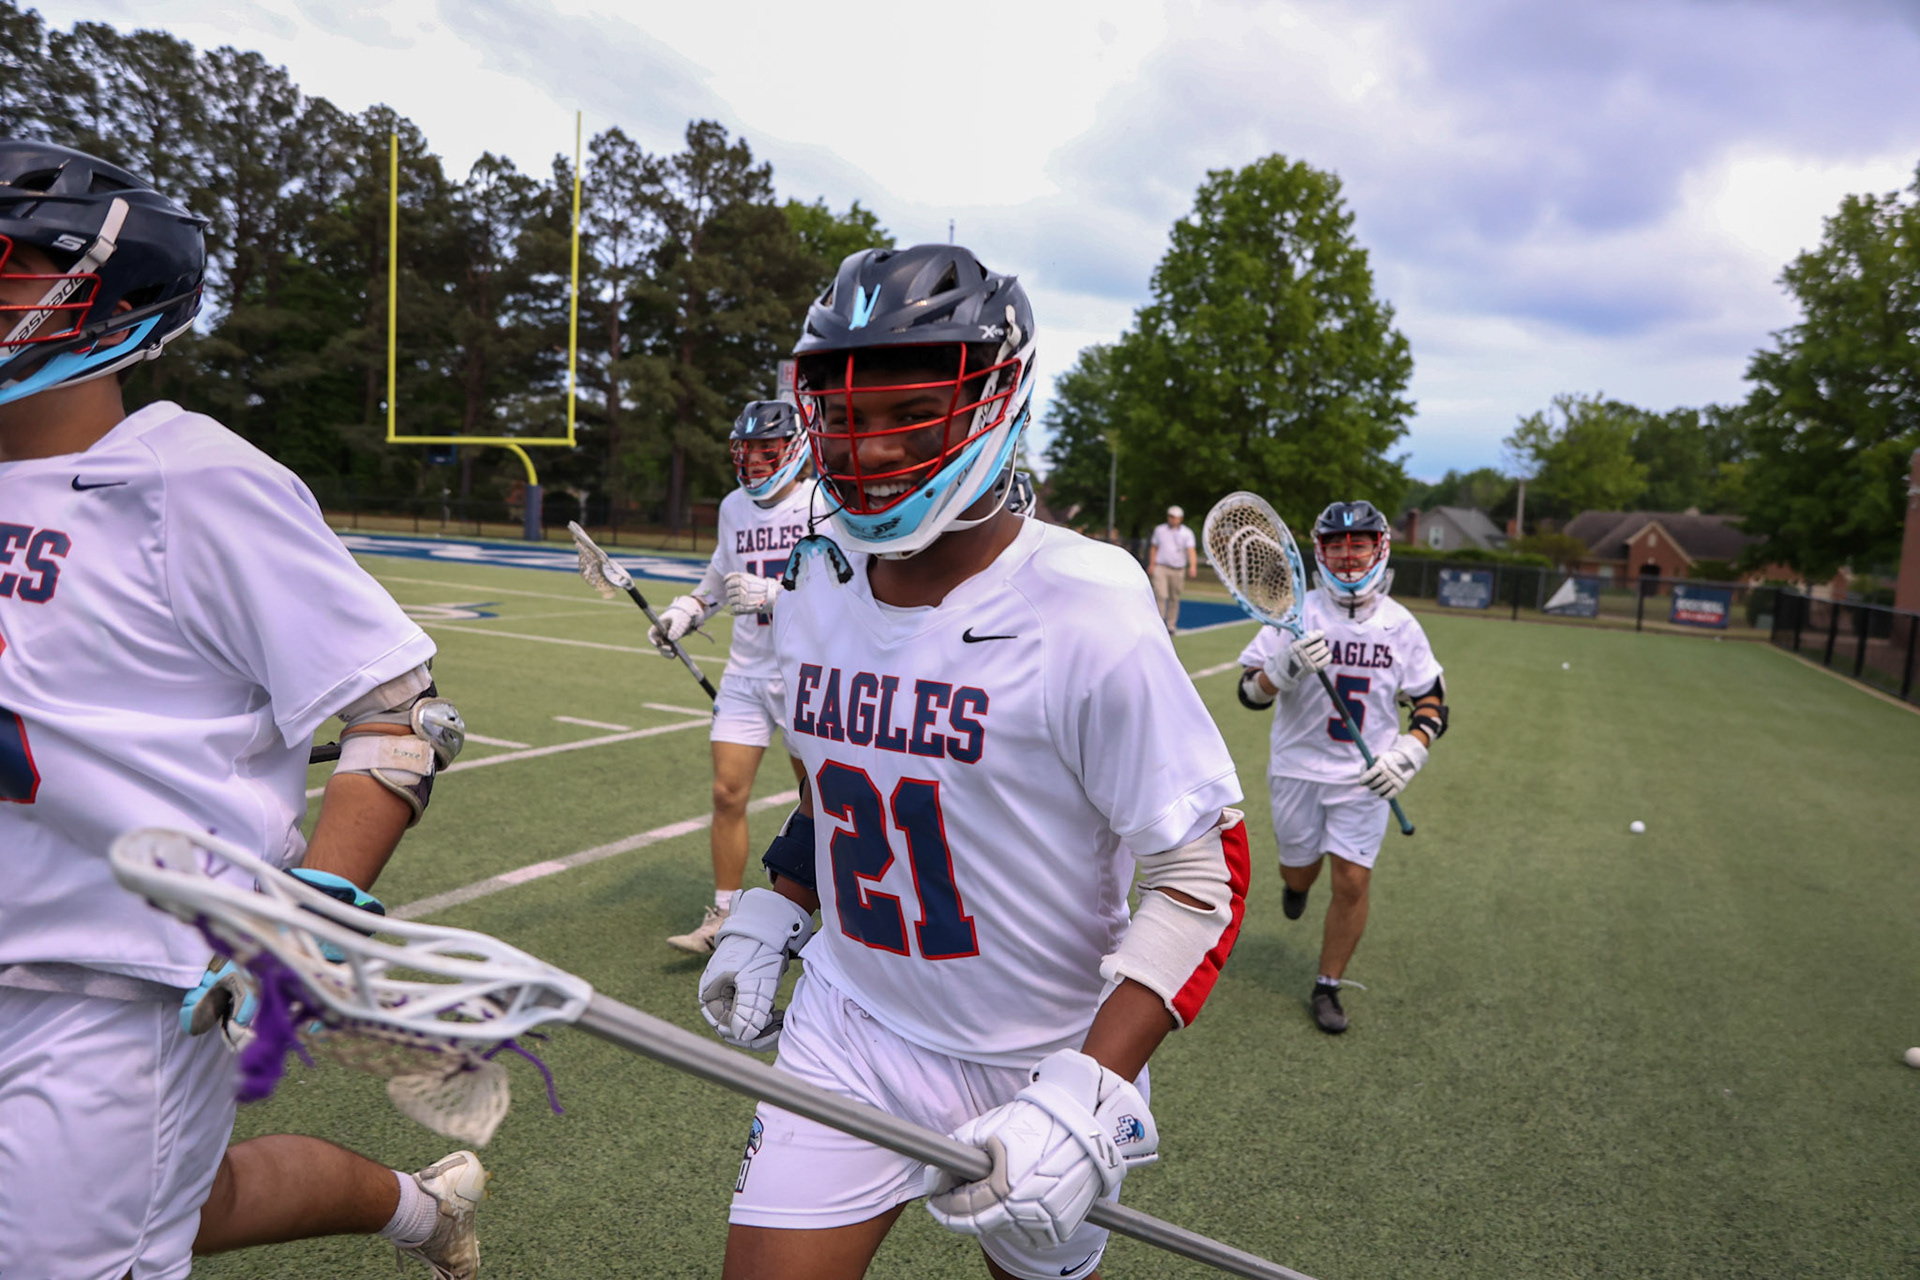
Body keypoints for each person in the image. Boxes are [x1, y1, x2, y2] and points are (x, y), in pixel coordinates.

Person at [698, 244, 1250, 1280]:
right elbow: (843, 781)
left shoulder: (1086, 604)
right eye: (845, 412)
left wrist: (1089, 1088)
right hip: (850, 1025)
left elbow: (1202, 875)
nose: (868, 445)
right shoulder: (814, 580)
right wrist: (780, 902)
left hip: (1040, 1050)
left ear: (995, 403)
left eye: (907, 410)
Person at [0, 140, 487, 1280]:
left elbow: (399, 713)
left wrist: (317, 899)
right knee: (198, 1197)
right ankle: (425, 1210)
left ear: (102, 292)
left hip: (113, 990)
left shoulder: (188, 478)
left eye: (10, 268)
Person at [1234, 499, 1448, 1033]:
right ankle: (1298, 886)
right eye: (1337, 544)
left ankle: (1327, 985)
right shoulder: (1294, 613)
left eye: (1358, 544)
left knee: (1352, 879)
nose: (1349, 556)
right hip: (1297, 770)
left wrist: (1410, 752)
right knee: (1297, 868)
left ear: (1380, 547)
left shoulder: (1401, 626)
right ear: (1320, 550)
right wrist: (1280, 670)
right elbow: (1248, 694)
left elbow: (1432, 700)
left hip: (1364, 778)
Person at [648, 400, 816, 953]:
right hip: (746, 671)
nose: (757, 463)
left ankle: (836, 914)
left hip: (805, 671)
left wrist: (779, 594)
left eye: (768, 452)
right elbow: (719, 577)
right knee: (726, 793)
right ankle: (723, 915)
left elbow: (852, 589)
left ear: (793, 447)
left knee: (821, 797)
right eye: (749, 453)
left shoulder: (825, 503)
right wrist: (687, 611)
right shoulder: (733, 508)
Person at [1147, 505, 1197, 635]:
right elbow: (1154, 547)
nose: (1172, 519)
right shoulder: (1160, 530)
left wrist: (1193, 566)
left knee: (1174, 597)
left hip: (1178, 569)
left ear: (1180, 518)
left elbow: (1191, 550)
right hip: (1161, 567)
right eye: (1170, 516)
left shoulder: (1187, 533)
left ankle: (1171, 625)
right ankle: (1158, 624)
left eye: (1175, 517)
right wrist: (1152, 564)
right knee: (1161, 595)